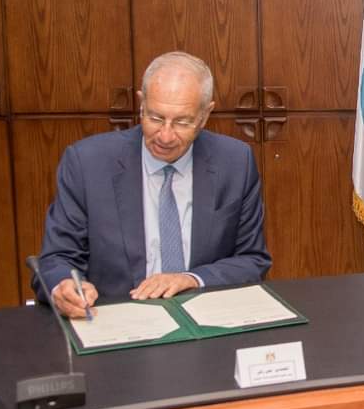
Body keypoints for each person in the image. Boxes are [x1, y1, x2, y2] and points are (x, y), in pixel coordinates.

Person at [35, 51, 271, 317]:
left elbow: (253, 260)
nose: (165, 136)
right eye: (155, 118)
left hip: (206, 319)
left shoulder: (235, 161)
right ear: (141, 104)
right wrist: (63, 286)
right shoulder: (87, 163)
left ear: (205, 115)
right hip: (118, 319)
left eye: (182, 122)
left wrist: (192, 279)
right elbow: (57, 258)